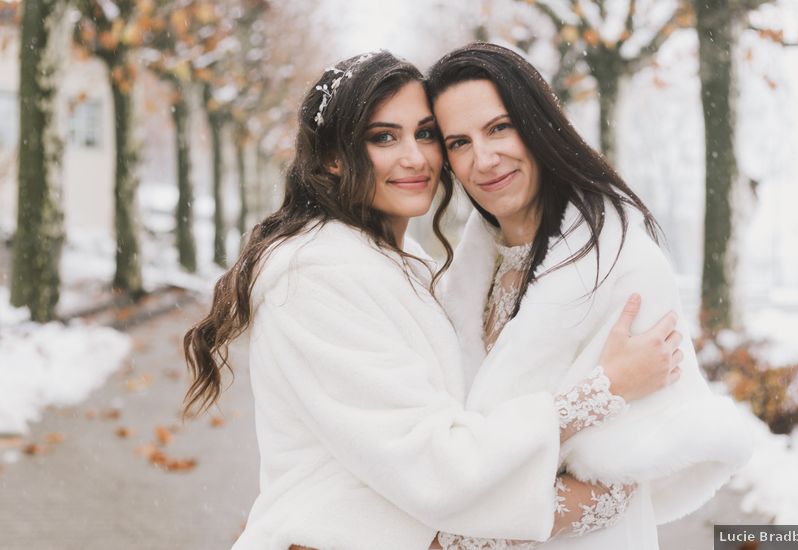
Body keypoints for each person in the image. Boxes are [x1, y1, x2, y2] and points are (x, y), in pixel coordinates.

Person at [181, 51, 684, 550]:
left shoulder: (405, 260)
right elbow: (436, 464)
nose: (416, 158)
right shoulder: (318, 275)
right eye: (384, 137)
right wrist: (602, 391)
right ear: (332, 158)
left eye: (426, 134)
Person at [427, 43, 756, 549]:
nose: (484, 159)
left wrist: (458, 538)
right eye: (459, 142)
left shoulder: (623, 265)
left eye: (499, 127)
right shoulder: (465, 280)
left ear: (536, 124)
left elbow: (616, 482)